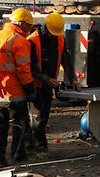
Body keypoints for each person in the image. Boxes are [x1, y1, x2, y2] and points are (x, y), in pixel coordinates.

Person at [0, 7, 36, 166]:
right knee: (20, 123)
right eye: (29, 25)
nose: (30, 29)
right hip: (15, 92)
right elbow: (23, 69)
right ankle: (18, 156)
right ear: (22, 24)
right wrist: (29, 87)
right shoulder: (20, 41)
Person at [27, 11, 74, 157]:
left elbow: (66, 60)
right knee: (37, 117)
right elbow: (29, 68)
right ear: (46, 27)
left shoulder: (59, 38)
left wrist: (73, 80)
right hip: (35, 84)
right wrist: (46, 79)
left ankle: (33, 146)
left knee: (44, 116)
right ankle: (37, 147)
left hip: (48, 85)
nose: (54, 35)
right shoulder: (32, 40)